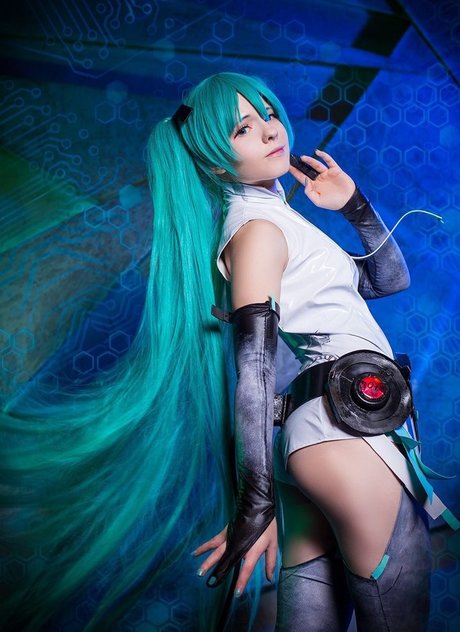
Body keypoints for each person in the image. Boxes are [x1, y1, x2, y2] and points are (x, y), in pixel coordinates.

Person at [1, 71, 456, 632]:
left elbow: (388, 280)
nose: (269, 129)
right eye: (242, 129)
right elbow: (254, 371)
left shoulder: (274, 219)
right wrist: (255, 503)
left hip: (319, 436)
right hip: (344, 434)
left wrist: (354, 206)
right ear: (216, 165)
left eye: (267, 113)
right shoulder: (257, 230)